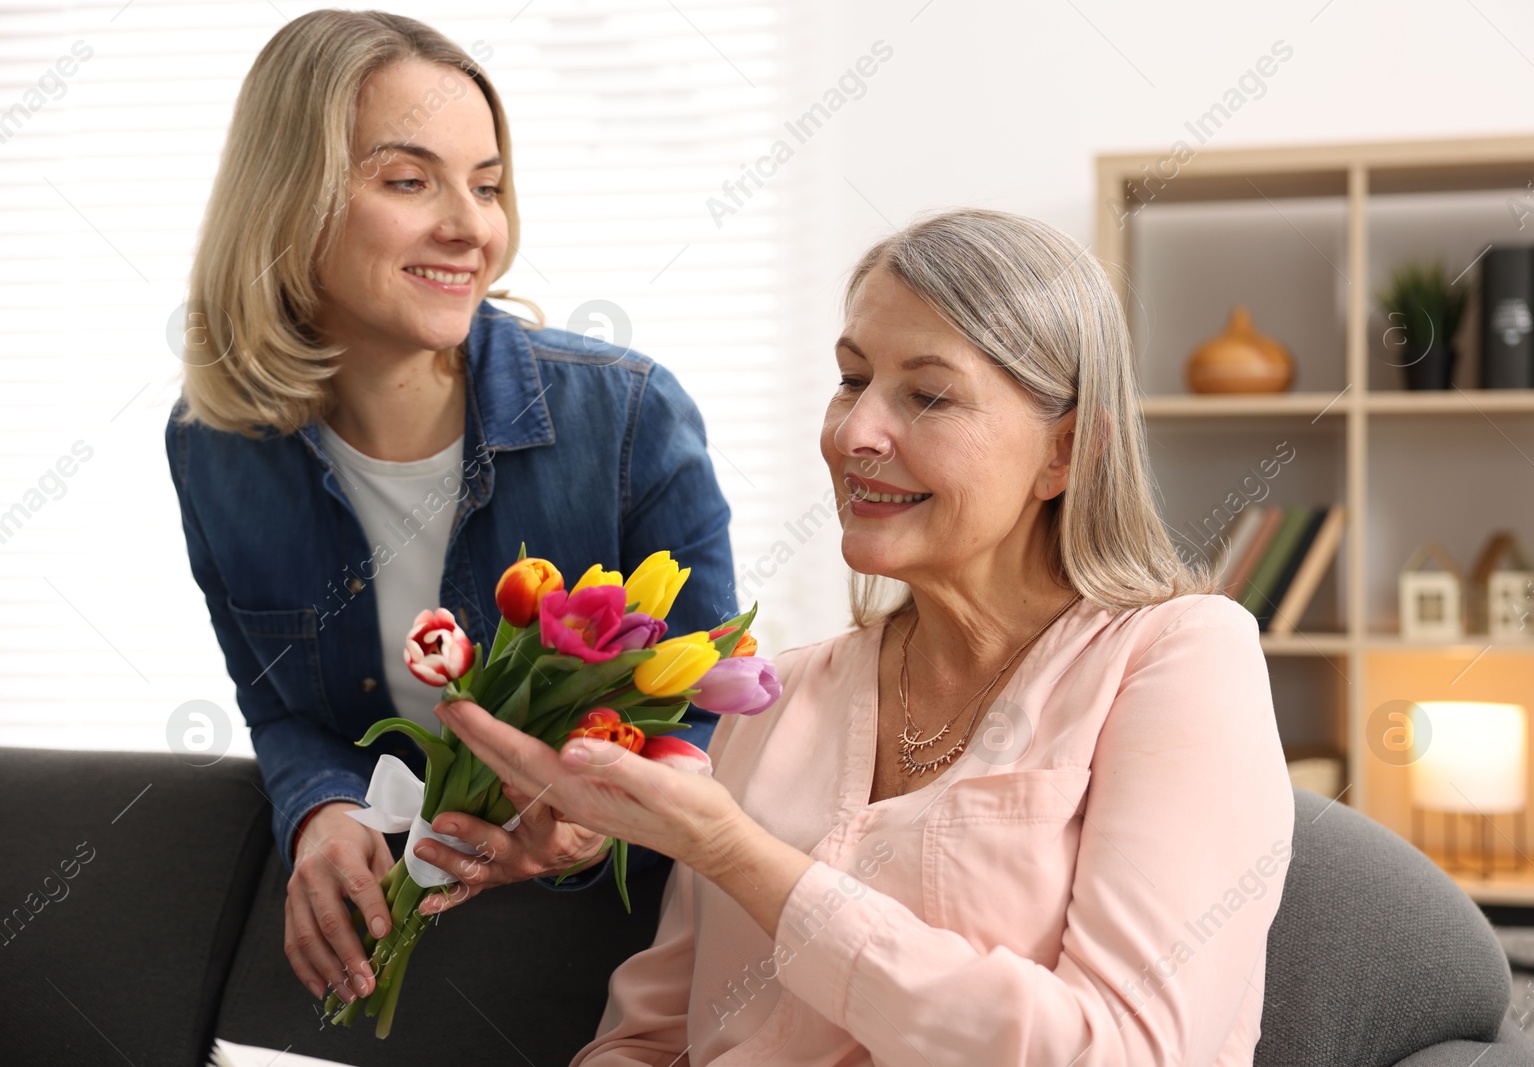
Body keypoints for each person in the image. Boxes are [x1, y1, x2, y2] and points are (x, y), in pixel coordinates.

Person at [435, 208, 1297, 1065]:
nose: (853, 434)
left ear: (1065, 452)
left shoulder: (1179, 658)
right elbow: (649, 1040)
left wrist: (734, 853)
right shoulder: (774, 697)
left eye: (927, 394)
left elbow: (1124, 1054)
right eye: (852, 379)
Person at [163, 10, 736, 1010]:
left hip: (616, 960)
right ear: (287, 200)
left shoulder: (628, 416)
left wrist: (587, 826)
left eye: (486, 184)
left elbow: (708, 716)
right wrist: (321, 806)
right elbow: (282, 708)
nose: (471, 228)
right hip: (406, 955)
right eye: (406, 179)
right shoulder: (216, 446)